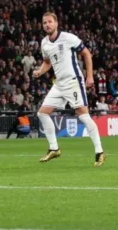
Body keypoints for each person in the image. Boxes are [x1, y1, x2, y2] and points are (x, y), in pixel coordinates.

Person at [33, 12, 105, 166]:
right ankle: (54, 148)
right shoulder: (44, 43)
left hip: (73, 82)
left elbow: (86, 54)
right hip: (59, 84)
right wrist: (40, 71)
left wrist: (90, 76)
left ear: (56, 23)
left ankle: (99, 152)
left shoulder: (68, 38)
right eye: (44, 22)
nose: (47, 25)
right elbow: (47, 62)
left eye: (50, 22)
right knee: (42, 113)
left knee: (83, 115)